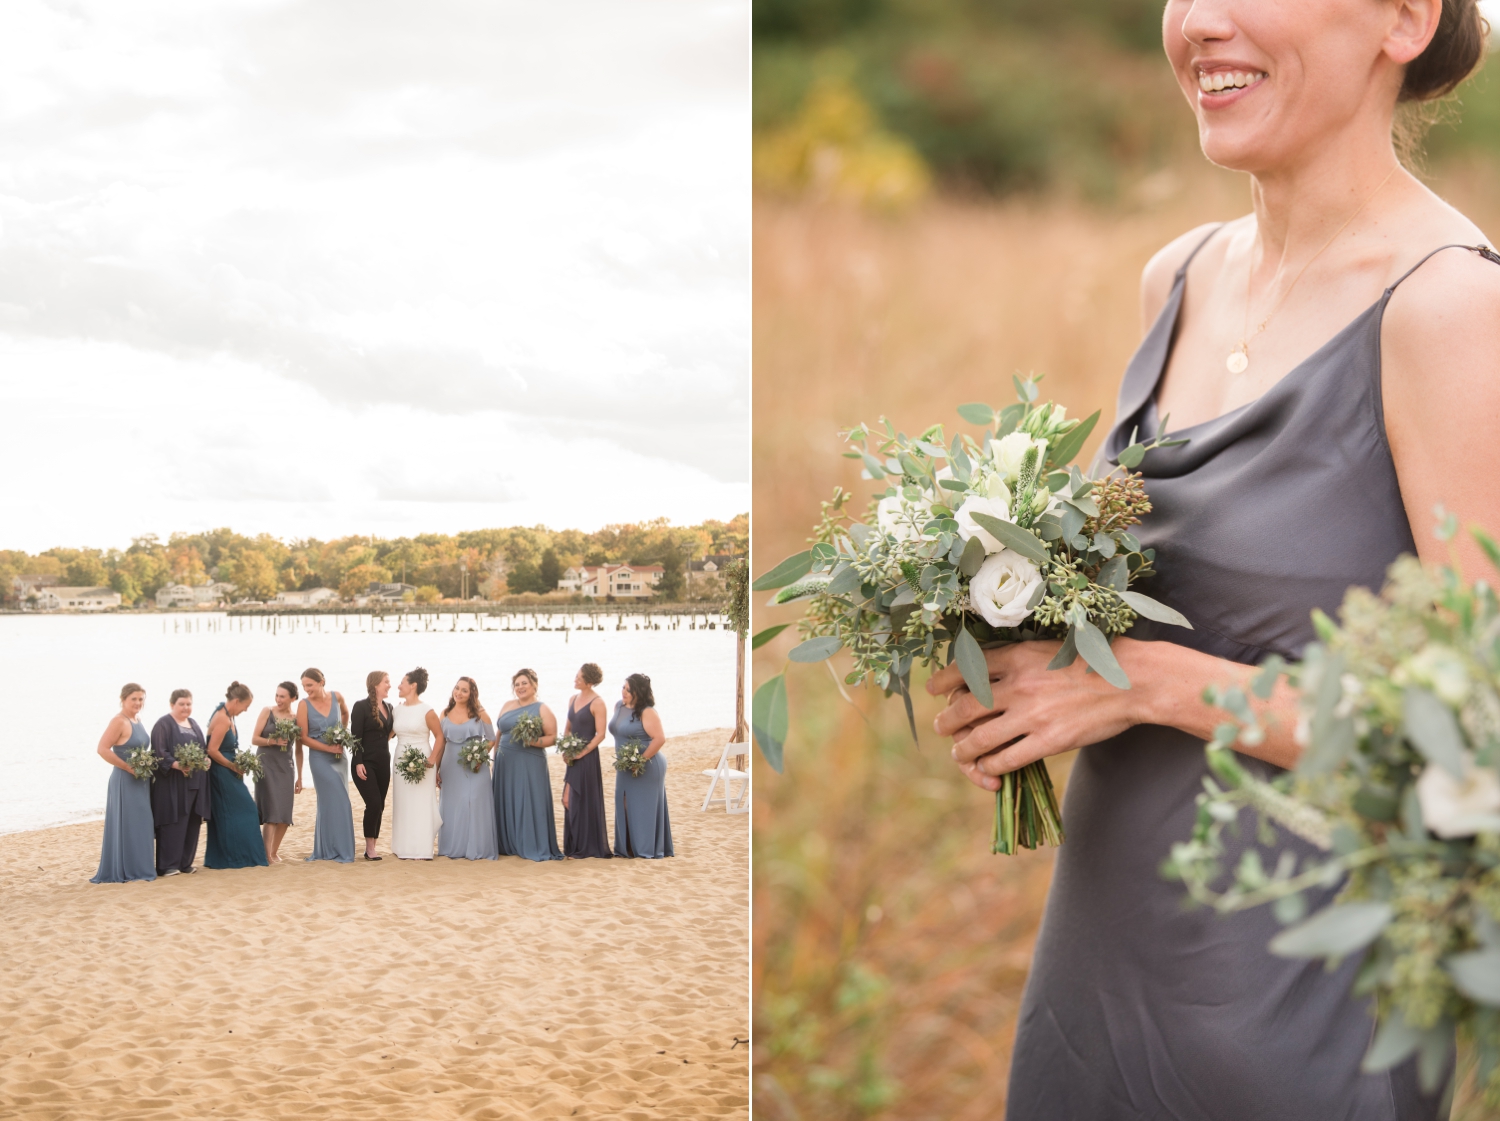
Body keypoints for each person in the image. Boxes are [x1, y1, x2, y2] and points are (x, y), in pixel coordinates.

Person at [929, 3, 1500, 1117]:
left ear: (1403, 17)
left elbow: (1472, 743)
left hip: (1299, 1009)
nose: (1201, 21)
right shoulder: (1178, 276)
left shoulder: (1454, 311)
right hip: (1098, 971)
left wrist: (1146, 681)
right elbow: (1113, 588)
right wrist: (999, 640)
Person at [493, 667, 562, 861]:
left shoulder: (542, 708)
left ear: (533, 685)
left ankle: (530, 843)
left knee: (527, 800)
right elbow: (499, 732)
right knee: (506, 799)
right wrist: (494, 756)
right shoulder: (507, 705)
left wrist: (532, 742)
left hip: (529, 761)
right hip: (505, 762)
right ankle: (508, 843)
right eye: (517, 684)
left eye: (524, 683)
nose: (520, 687)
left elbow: (552, 738)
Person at [90, 682, 156, 884]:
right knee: (127, 823)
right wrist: (128, 768)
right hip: (124, 780)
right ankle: (127, 870)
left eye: (140, 699)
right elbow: (102, 749)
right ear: (123, 700)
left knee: (142, 823)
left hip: (141, 780)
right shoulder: (118, 721)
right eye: (133, 699)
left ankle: (140, 867)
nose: (137, 703)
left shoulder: (137, 719)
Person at [204, 681, 268, 869]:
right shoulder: (222, 719)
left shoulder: (228, 715)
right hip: (222, 773)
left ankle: (235, 856)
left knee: (236, 812)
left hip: (229, 770)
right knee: (246, 810)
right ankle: (237, 858)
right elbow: (212, 750)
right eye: (246, 706)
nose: (246, 710)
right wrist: (233, 766)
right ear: (237, 701)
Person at [609, 673, 672, 859]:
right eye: (623, 687)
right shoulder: (618, 706)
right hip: (624, 765)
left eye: (629, 689)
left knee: (643, 807)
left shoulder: (647, 712)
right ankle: (627, 848)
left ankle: (644, 850)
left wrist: (640, 761)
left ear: (639, 692)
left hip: (648, 765)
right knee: (624, 803)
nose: (624, 692)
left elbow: (659, 739)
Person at [149, 689, 211, 877]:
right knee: (173, 821)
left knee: (192, 821)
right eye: (181, 704)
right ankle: (168, 865)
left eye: (188, 704)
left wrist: (205, 759)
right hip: (172, 783)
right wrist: (177, 765)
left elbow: (202, 749)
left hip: (194, 782)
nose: (185, 707)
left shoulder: (193, 724)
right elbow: (159, 752)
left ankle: (185, 863)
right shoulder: (163, 724)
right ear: (172, 705)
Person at [435, 676, 497, 860]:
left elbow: (492, 739)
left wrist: (479, 756)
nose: (459, 693)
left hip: (475, 766)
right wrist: (435, 770)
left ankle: (478, 849)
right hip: (450, 765)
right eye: (457, 688)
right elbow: (441, 743)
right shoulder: (444, 713)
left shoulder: (480, 714)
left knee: (475, 802)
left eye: (464, 690)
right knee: (453, 805)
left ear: (471, 694)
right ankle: (453, 848)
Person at [297, 668, 354, 863]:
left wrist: (342, 734)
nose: (306, 689)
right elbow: (303, 737)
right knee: (339, 800)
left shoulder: (337, 696)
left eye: (309, 685)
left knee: (335, 802)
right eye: (304, 686)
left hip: (339, 757)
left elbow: (346, 714)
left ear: (322, 682)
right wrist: (327, 749)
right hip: (319, 759)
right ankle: (337, 850)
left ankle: (333, 849)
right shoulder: (303, 705)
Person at [390, 667, 444, 860]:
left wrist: (432, 760)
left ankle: (421, 848)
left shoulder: (427, 710)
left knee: (421, 803)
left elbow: (439, 737)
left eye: (402, 682)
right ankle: (402, 847)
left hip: (423, 761)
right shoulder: (396, 710)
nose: (398, 685)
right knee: (403, 803)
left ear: (413, 686)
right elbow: (389, 735)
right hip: (400, 760)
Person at [561, 663, 611, 859]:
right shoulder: (572, 699)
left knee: (581, 800)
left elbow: (601, 734)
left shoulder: (598, 703)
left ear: (589, 682)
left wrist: (582, 752)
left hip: (587, 758)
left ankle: (585, 847)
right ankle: (573, 846)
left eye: (579, 677)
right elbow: (568, 728)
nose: (575, 679)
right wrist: (566, 748)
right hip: (572, 756)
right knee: (567, 799)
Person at [250, 681, 301, 863]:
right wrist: (273, 742)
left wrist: (300, 776)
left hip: (286, 767)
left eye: (282, 696)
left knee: (285, 815)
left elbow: (299, 749)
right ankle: (266, 855)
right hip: (265, 764)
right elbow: (255, 738)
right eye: (277, 695)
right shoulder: (267, 711)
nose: (278, 699)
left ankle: (273, 851)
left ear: (293, 698)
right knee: (271, 811)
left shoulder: (296, 718)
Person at [350, 670, 396, 860]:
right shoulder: (360, 706)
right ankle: (370, 848)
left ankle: (373, 847)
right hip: (364, 762)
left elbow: (388, 734)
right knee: (374, 803)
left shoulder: (390, 707)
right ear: (376, 684)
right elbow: (355, 738)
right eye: (386, 681)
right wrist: (359, 761)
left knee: (380, 805)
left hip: (384, 761)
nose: (389, 685)